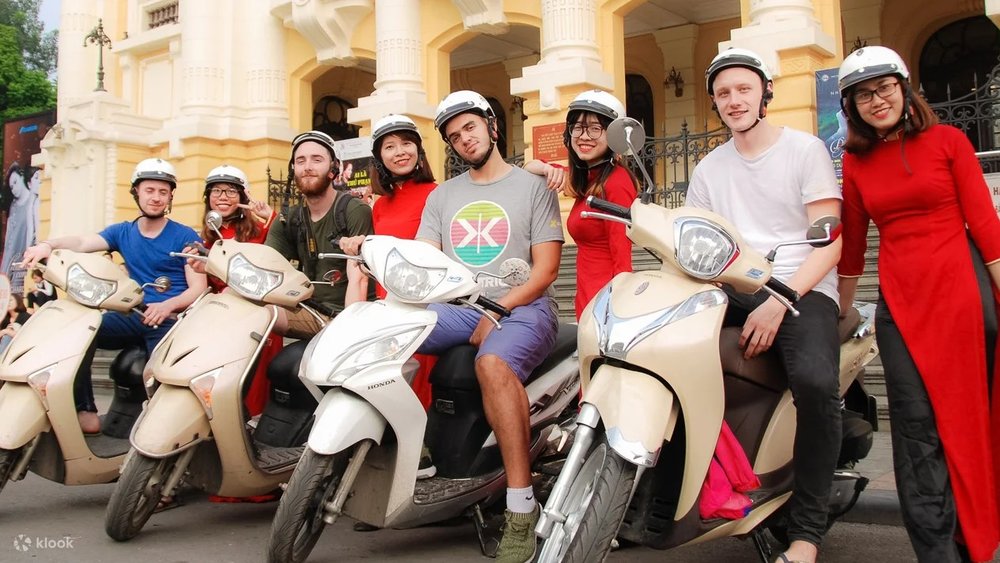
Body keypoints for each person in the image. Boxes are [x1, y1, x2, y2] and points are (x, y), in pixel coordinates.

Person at [837, 46, 1000, 563]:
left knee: (966, 419)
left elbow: (988, 230)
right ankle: (935, 549)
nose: (876, 99)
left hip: (962, 299)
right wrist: (841, 313)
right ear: (852, 106)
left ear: (904, 88)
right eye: (864, 94)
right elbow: (855, 248)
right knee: (915, 428)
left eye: (884, 87)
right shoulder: (855, 163)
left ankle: (972, 538)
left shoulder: (949, 141)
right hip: (900, 308)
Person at [686, 48, 843, 563]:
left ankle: (807, 533)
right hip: (736, 286)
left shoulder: (805, 150)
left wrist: (781, 299)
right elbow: (696, 242)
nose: (734, 100)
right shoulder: (709, 167)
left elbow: (829, 241)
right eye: (724, 93)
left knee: (817, 384)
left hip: (802, 286)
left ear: (765, 92)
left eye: (743, 89)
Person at [418, 90, 563, 563]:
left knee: (494, 363)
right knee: (387, 331)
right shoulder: (443, 196)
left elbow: (545, 272)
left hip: (525, 306)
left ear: (491, 127)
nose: (464, 139)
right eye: (454, 136)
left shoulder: (533, 187)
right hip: (460, 305)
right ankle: (408, 450)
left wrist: (496, 310)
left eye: (470, 128)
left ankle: (521, 507)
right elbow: (427, 263)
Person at [20, 158, 207, 435]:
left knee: (159, 381)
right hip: (135, 315)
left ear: (170, 196)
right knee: (78, 332)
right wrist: (47, 244)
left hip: (171, 322)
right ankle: (85, 410)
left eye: (163, 192)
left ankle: (166, 436)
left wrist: (168, 305)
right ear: (137, 192)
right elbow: (83, 243)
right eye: (150, 190)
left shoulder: (185, 235)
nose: (156, 198)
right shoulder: (123, 231)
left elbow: (198, 288)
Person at [340, 114, 438, 413]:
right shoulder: (379, 204)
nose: (400, 152)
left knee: (422, 389)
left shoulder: (437, 193)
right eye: (390, 147)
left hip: (426, 306)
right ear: (380, 158)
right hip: (388, 307)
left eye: (407, 143)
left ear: (419, 151)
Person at [525, 90, 637, 319]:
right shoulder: (584, 178)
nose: (584, 136)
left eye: (596, 128)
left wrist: (616, 308)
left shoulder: (616, 182)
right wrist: (548, 169)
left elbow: (622, 255)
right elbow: (528, 168)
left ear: (613, 135)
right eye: (577, 127)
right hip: (586, 295)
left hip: (606, 300)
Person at [264, 130, 375, 338]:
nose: (307, 167)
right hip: (310, 312)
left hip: (352, 316)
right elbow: (264, 265)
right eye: (301, 160)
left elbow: (359, 279)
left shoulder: (354, 210)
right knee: (255, 313)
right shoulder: (289, 219)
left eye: (317, 159)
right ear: (293, 169)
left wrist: (346, 338)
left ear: (334, 168)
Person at [199, 164, 278, 416]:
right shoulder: (205, 237)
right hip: (220, 312)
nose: (223, 197)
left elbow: (279, 249)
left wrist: (270, 216)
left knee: (263, 348)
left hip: (254, 308)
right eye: (217, 191)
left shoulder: (258, 231)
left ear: (243, 197)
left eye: (231, 191)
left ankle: (255, 415)